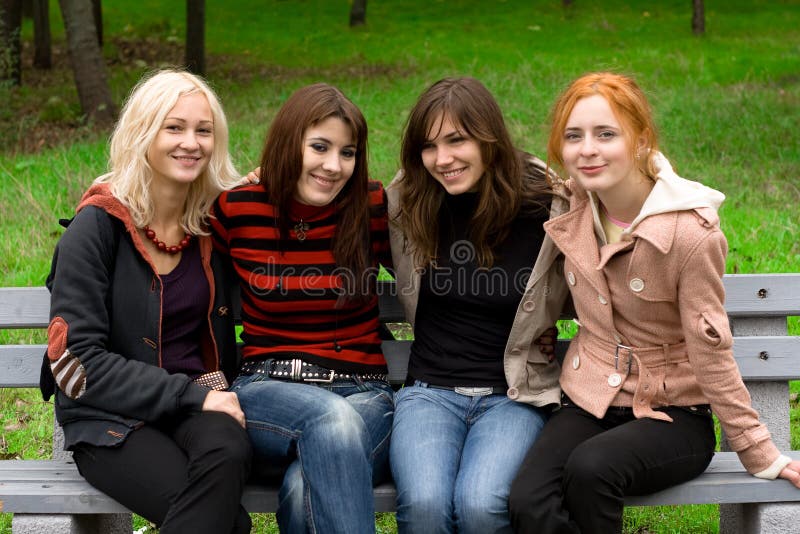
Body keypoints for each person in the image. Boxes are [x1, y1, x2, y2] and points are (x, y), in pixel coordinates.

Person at [508, 71, 800, 533]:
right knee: (526, 498)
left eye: (606, 134)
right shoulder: (574, 206)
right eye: (573, 136)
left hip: (674, 414)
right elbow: (497, 169)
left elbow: (711, 348)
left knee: (591, 469)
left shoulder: (689, 233)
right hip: (591, 400)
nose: (587, 149)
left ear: (641, 140)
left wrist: (756, 447)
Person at [39, 69, 253, 534]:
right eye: (174, 127)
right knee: (228, 524)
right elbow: (78, 364)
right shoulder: (95, 229)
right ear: (142, 134)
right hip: (108, 421)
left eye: (203, 130)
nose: (191, 143)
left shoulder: (211, 226)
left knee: (228, 448)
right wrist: (193, 395)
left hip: (196, 405)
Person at [386, 77, 571, 534]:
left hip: (512, 397)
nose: (442, 159)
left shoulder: (547, 203)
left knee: (481, 506)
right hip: (429, 392)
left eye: (456, 140)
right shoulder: (408, 204)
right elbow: (318, 198)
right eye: (429, 146)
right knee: (426, 505)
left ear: (488, 137)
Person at [211, 83, 393, 534]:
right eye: (319, 147)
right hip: (266, 390)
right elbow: (164, 230)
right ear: (289, 141)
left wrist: (528, 171)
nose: (334, 166)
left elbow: (446, 207)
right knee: (329, 421)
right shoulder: (238, 207)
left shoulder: (369, 205)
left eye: (347, 152)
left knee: (300, 486)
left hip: (365, 393)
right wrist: (105, 194)